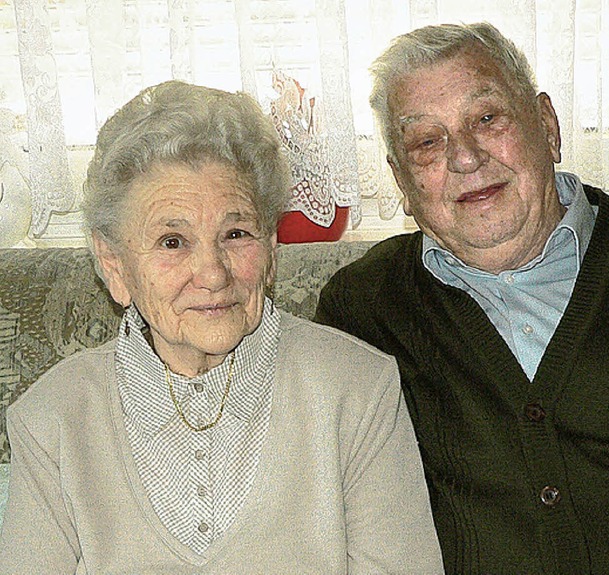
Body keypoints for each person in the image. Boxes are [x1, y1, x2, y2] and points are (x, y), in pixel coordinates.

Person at [0, 80, 444, 574]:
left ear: (272, 248)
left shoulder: (357, 389)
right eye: (173, 242)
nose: (213, 274)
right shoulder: (51, 420)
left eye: (236, 234)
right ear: (114, 264)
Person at [315, 22, 609, 575]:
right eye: (427, 142)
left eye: (487, 119)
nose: (465, 157)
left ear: (548, 125)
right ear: (401, 181)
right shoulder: (363, 308)